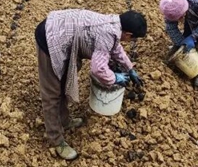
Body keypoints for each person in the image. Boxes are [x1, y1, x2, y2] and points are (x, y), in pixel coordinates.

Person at [35, 9, 146, 160]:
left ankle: (64, 120)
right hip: (50, 37)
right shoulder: (108, 32)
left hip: (63, 32)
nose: (129, 42)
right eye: (132, 39)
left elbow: (115, 48)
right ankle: (56, 139)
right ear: (128, 34)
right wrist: (115, 78)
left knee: (63, 82)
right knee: (52, 92)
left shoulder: (115, 25)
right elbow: (98, 68)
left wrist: (129, 68)